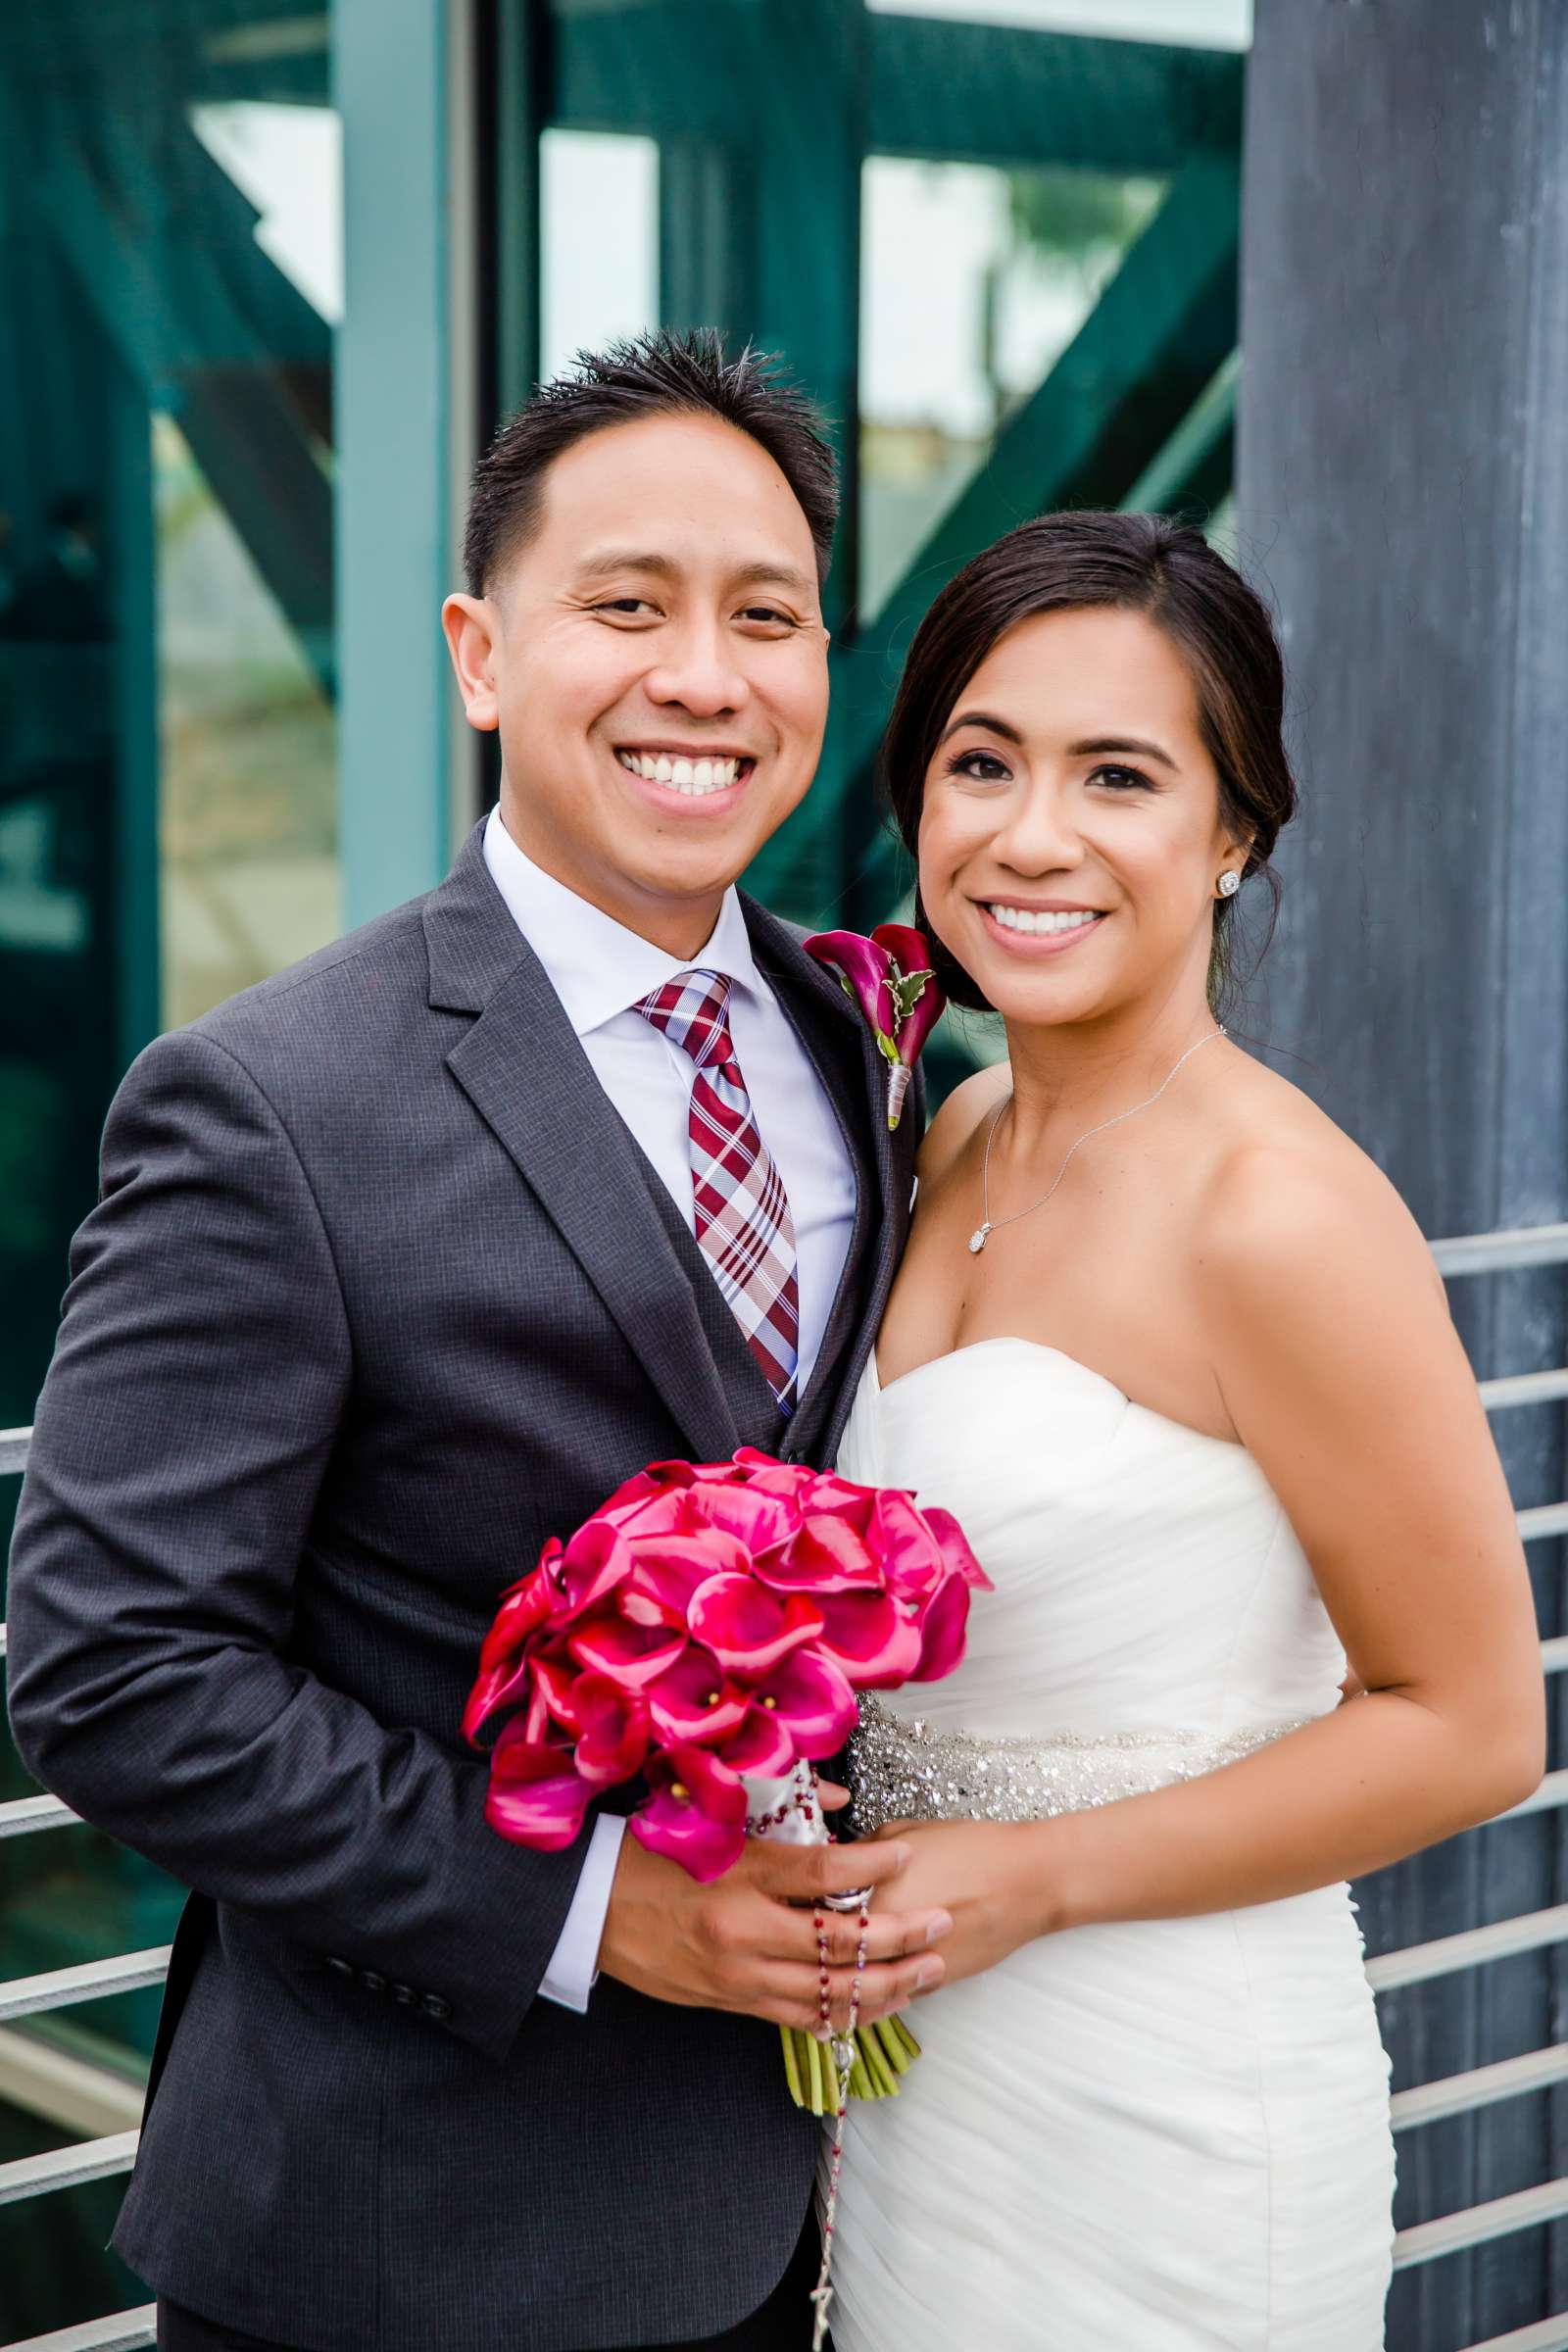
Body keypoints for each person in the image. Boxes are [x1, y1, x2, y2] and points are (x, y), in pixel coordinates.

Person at [4, 330, 952, 2352]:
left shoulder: (860, 1042)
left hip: (821, 2219)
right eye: (625, 604)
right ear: (477, 653)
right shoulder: (266, 1099)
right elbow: (114, 1674)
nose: (703, 676)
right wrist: (610, 1918)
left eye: (762, 617)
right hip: (404, 2240)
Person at [824, 510, 1544, 2351]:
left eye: (1119, 776)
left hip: (1167, 2105)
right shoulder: (946, 1133)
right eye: (981, 763)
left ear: (1231, 838)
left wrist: (1032, 1877)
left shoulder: (1280, 1216)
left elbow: (1470, 1726)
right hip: (903, 2089)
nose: (1032, 835)